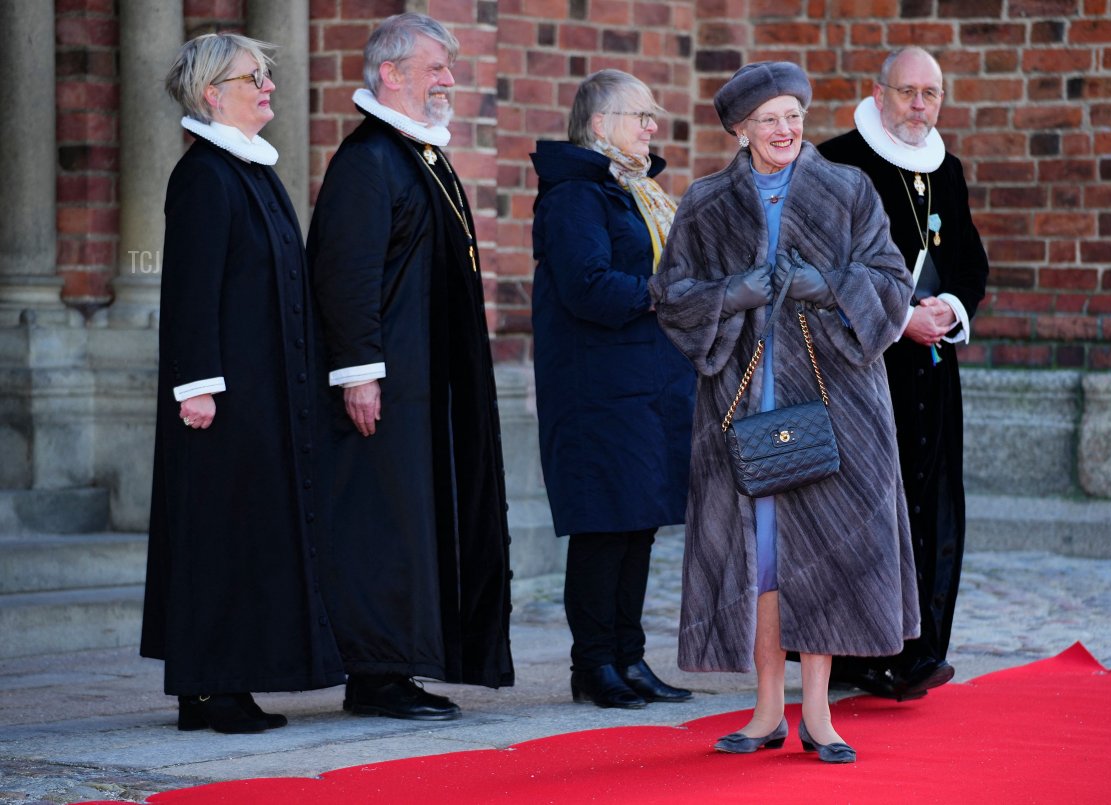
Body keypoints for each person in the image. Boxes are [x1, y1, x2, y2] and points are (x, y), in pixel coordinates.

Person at [650, 62, 919, 762]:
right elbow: (671, 295)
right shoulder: (707, 204)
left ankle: (820, 713)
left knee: (827, 549)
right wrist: (732, 294)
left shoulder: (848, 190)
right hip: (743, 406)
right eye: (769, 119)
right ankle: (769, 708)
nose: (785, 130)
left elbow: (892, 285)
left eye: (793, 116)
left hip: (836, 403)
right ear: (741, 129)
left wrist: (828, 286)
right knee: (763, 560)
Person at [307, 13, 514, 721]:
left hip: (426, 387)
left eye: (450, 67)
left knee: (414, 527)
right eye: (435, 68)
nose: (449, 80)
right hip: (384, 388)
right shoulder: (368, 161)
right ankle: (375, 674)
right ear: (390, 73)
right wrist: (358, 372)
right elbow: (346, 273)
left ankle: (404, 662)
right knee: (383, 528)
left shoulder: (418, 154)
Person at [141, 33, 345, 734]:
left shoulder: (252, 170)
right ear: (211, 93)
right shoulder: (203, 176)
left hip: (263, 392)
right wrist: (196, 384)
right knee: (215, 537)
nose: (268, 86)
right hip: (219, 398)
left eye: (267, 75)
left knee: (247, 535)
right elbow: (191, 290)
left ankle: (226, 681)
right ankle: (207, 687)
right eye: (252, 77)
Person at [818, 46, 990, 701]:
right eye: (908, 91)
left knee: (932, 501)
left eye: (931, 93)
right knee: (867, 509)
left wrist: (949, 308)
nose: (920, 105)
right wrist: (897, 320)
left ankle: (920, 648)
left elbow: (970, 262)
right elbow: (826, 269)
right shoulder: (838, 162)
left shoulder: (947, 169)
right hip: (863, 366)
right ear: (879, 92)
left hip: (933, 368)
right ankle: (861, 651)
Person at [529, 70, 696, 710]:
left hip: (647, 385)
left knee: (638, 526)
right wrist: (668, 294)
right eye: (640, 116)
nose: (652, 127)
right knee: (604, 527)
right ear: (600, 125)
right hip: (597, 391)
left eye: (653, 116)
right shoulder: (577, 195)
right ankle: (593, 665)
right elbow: (589, 287)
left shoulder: (636, 191)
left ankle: (630, 656)